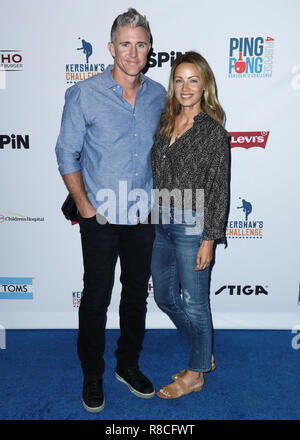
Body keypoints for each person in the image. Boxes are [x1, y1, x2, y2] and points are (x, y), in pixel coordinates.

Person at [55, 8, 166, 412]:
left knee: (136, 295)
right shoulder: (85, 93)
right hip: (99, 216)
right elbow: (65, 152)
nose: (133, 52)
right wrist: (84, 205)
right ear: (111, 47)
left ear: (149, 48)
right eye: (125, 44)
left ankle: (128, 365)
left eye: (140, 44)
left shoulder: (159, 95)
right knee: (97, 297)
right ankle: (92, 374)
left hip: (143, 214)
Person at [150, 51, 230, 399]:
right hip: (159, 222)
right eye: (179, 80)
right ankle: (201, 353)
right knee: (166, 296)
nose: (185, 87)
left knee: (196, 303)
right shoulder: (165, 121)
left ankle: (195, 373)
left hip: (191, 225)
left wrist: (209, 239)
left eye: (192, 80)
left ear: (204, 86)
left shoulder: (214, 133)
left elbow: (219, 188)